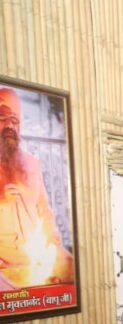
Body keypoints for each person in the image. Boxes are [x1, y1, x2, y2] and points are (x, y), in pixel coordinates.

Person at [0, 87, 73, 288]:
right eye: (2, 117)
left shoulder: (32, 164)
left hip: (37, 254)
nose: (9, 125)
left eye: (14, 120)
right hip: (4, 262)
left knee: (74, 270)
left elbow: (45, 212)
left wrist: (54, 246)